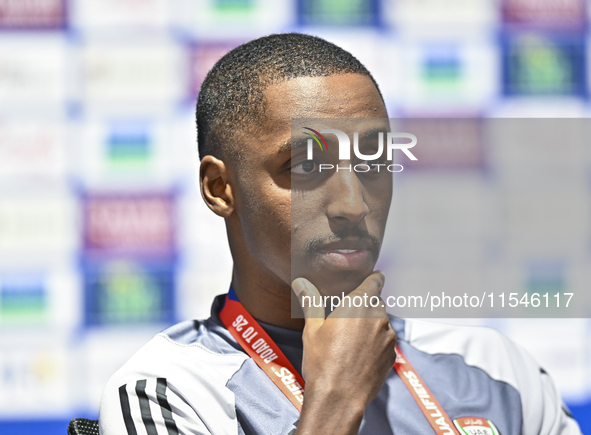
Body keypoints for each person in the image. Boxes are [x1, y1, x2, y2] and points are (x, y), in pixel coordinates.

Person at [98, 33, 581, 435]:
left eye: (373, 162)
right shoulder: (169, 392)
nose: (353, 204)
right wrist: (333, 403)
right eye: (306, 165)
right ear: (221, 188)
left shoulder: (497, 370)